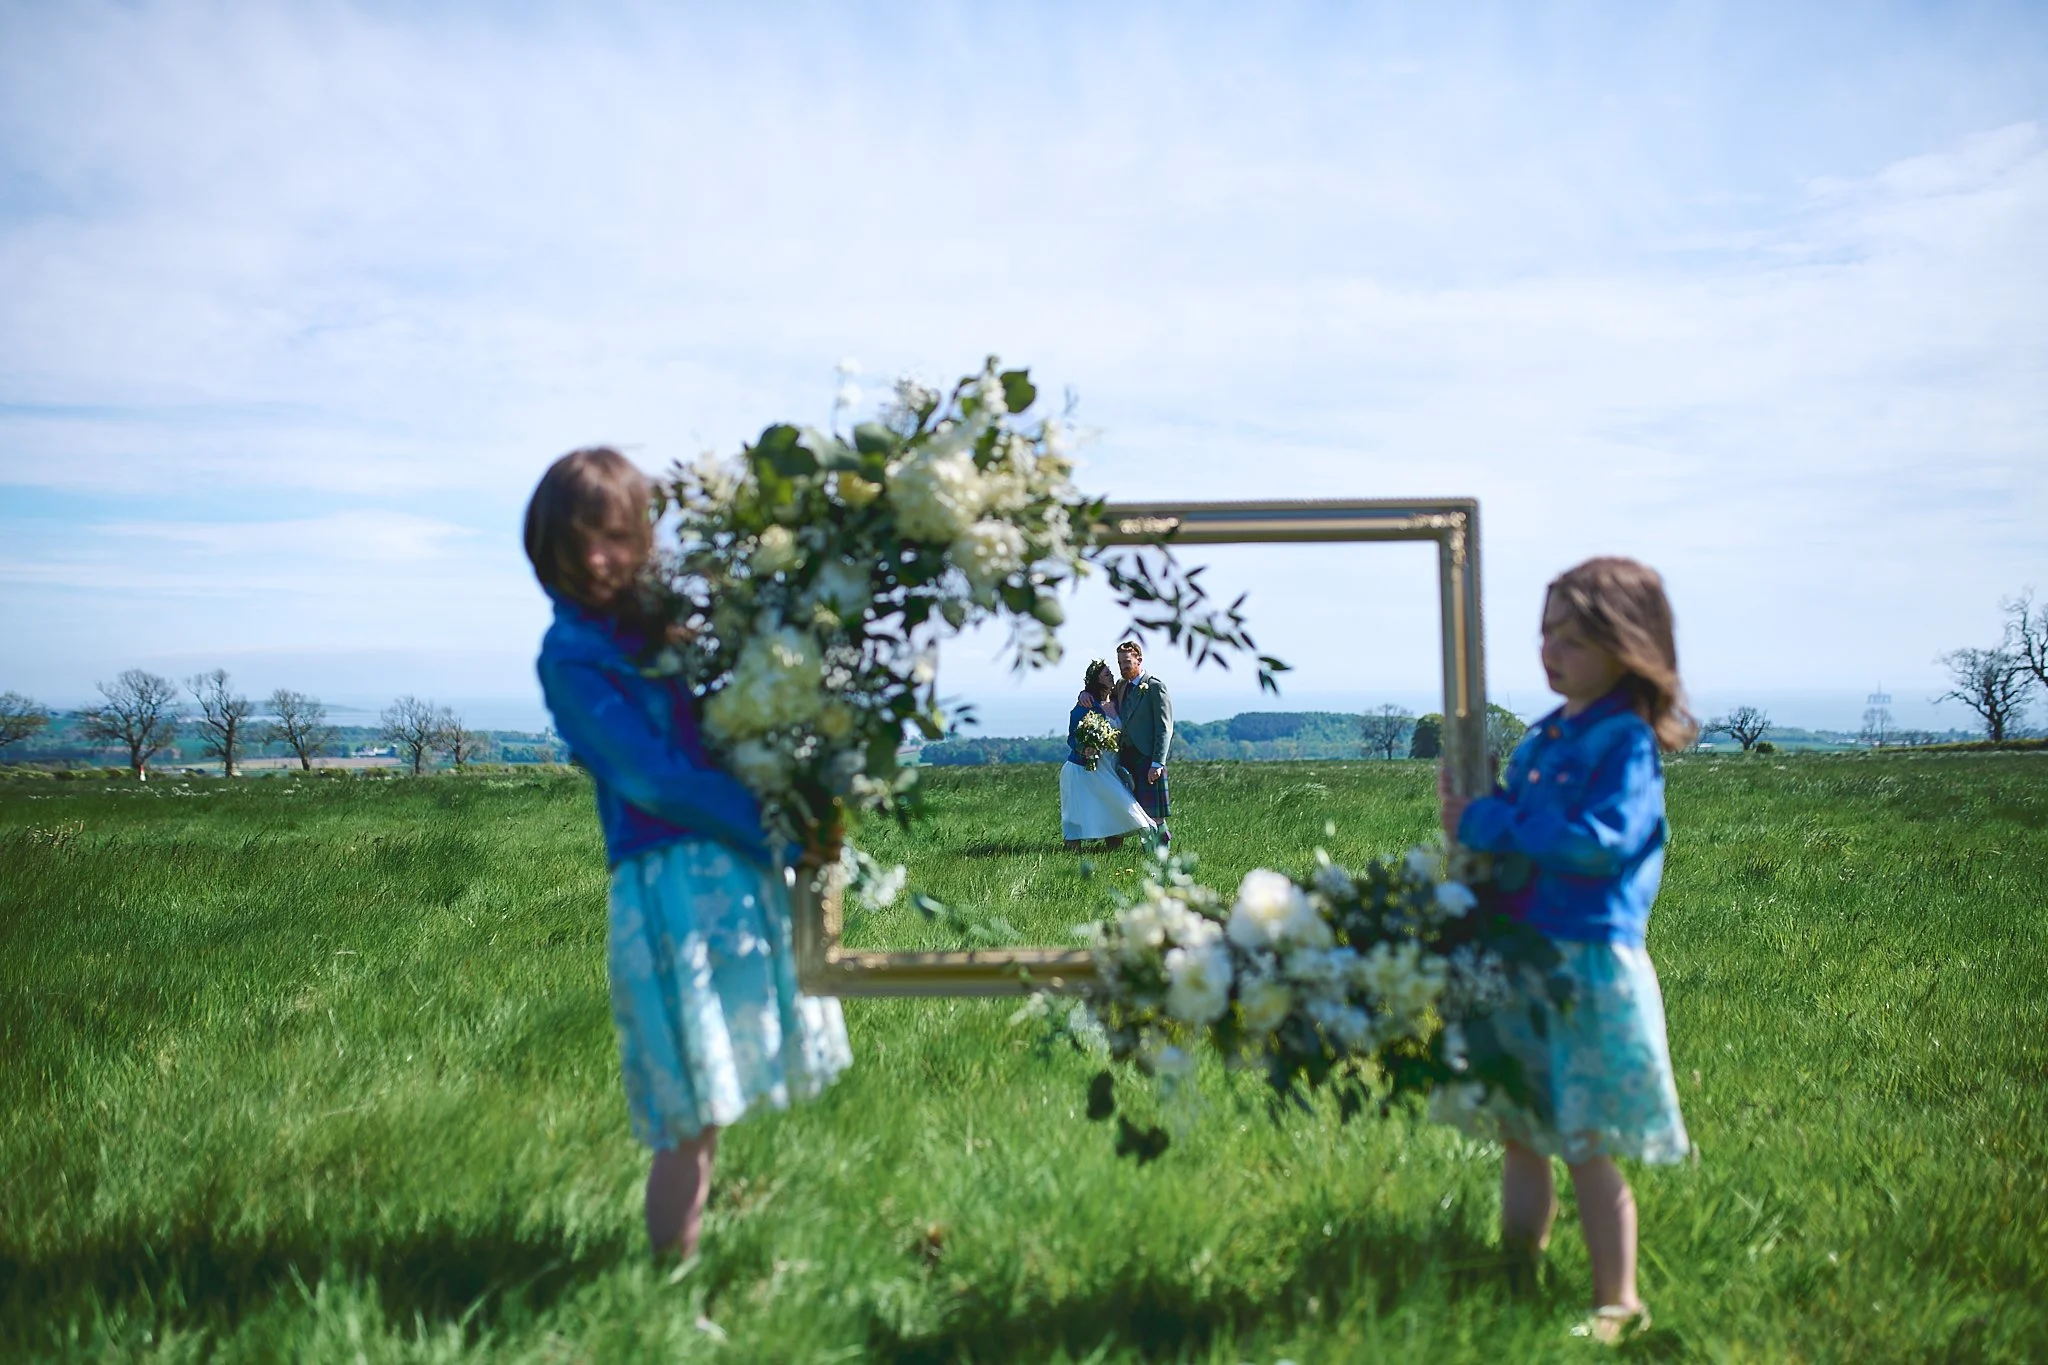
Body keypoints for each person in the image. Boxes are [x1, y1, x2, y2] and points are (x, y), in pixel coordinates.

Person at [526, 446, 852, 1263]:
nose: (599, 559)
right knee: (689, 1104)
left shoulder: (661, 623)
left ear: (642, 537)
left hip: (734, 865)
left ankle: (684, 1270)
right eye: (580, 543)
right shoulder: (569, 654)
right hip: (669, 875)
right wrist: (770, 824)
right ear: (549, 549)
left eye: (615, 537)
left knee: (711, 1099)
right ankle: (672, 1283)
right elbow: (648, 774)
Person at [1435, 556, 1695, 1345]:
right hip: (1526, 953)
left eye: (1574, 640)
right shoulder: (1548, 731)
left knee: (1584, 1137)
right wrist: (1483, 805)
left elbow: (1600, 844)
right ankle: (1518, 1262)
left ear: (1629, 647)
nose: (1551, 651)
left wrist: (1487, 823)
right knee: (1522, 1125)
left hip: (1584, 963)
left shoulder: (1624, 742)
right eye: (1546, 633)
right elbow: (1516, 823)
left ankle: (1620, 1299)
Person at [1060, 658, 1156, 851]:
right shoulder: (1086, 705)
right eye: (1106, 674)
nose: (1111, 676)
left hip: (1112, 767)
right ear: (1096, 680)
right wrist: (1084, 748)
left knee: (1118, 807)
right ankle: (1071, 857)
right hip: (1085, 770)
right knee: (1076, 817)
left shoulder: (1118, 700)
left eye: (1111, 673)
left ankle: (1118, 853)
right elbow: (1072, 737)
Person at [1110, 639, 1173, 846]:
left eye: (1127, 662)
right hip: (1125, 757)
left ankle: (1161, 852)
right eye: (1120, 663)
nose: (1123, 667)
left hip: (1147, 757)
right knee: (1125, 807)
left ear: (1139, 660)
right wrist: (1084, 693)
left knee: (1153, 812)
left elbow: (1164, 727)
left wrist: (1157, 763)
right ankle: (1116, 851)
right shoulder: (1121, 686)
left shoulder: (1155, 687)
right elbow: (1100, 697)